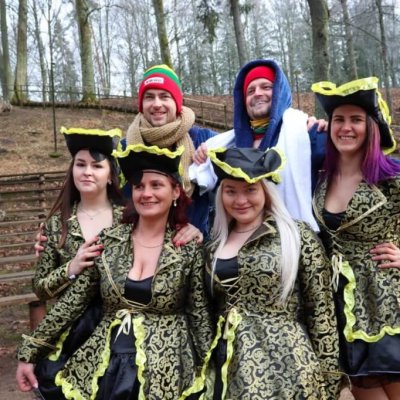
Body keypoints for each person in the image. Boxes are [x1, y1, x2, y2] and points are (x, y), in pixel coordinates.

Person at [16, 143, 213, 400]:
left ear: (175, 191)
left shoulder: (188, 249)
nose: (147, 193)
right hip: (107, 367)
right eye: (139, 186)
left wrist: (212, 374)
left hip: (167, 371)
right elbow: (71, 303)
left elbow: (199, 317)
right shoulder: (108, 241)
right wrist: (29, 353)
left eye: (156, 185)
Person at [204, 147, 342, 398]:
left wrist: (329, 379)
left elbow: (321, 312)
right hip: (228, 367)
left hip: (289, 368)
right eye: (231, 191)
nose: (240, 200)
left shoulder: (297, 236)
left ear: (266, 191)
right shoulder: (212, 246)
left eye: (250, 190)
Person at [312, 77, 400, 400]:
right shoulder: (321, 178)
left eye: (356, 120)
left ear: (371, 127)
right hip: (345, 311)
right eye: (339, 119)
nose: (346, 128)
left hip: (388, 305)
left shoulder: (392, 177)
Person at [28, 126, 125, 399]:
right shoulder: (56, 224)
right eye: (80, 164)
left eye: (97, 166)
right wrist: (71, 268)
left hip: (118, 329)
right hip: (70, 330)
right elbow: (40, 288)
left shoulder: (129, 219)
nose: (87, 172)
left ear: (111, 175)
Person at [192, 58, 327, 231]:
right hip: (243, 238)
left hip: (295, 237)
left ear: (279, 92)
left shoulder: (306, 134)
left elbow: (347, 166)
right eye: (250, 90)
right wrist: (201, 158)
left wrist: (334, 131)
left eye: (266, 87)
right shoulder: (225, 147)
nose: (257, 93)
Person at [123, 64, 217, 237]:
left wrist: (213, 162)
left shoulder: (203, 140)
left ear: (177, 102)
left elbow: (234, 188)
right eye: (149, 97)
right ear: (141, 104)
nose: (157, 104)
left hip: (193, 243)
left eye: (164, 96)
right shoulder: (126, 147)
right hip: (139, 243)